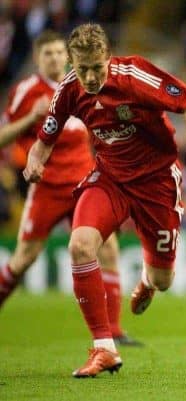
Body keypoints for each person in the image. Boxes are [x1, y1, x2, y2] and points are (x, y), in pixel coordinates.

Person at [23, 23, 186, 378]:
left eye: (98, 67)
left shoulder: (134, 76)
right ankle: (104, 348)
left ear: (108, 59)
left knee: (163, 280)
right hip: (110, 178)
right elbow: (46, 136)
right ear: (72, 63)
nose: (91, 76)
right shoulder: (69, 88)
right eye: (83, 69)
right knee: (81, 245)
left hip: (156, 181)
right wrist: (36, 159)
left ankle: (146, 278)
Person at [0, 30, 141, 347]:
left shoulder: (83, 85)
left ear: (68, 56)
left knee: (108, 248)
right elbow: (4, 138)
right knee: (24, 259)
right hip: (47, 188)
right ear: (37, 58)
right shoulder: (27, 92)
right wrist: (29, 121)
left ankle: (114, 331)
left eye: (58, 53)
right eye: (47, 53)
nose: (55, 58)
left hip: (83, 184)